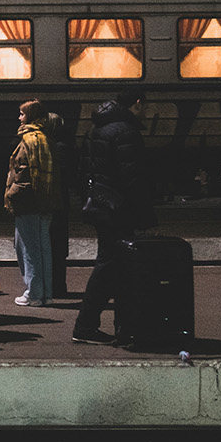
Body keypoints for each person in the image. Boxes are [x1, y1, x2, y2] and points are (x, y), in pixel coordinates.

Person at [72, 87, 155, 346]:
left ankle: (119, 326)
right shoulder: (126, 132)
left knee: (113, 266)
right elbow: (133, 179)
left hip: (101, 206)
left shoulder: (97, 128)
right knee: (110, 267)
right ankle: (87, 326)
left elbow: (85, 170)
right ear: (138, 104)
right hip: (120, 211)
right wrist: (146, 216)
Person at [6, 99, 60, 307]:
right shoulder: (46, 138)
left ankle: (34, 293)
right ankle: (45, 293)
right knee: (43, 249)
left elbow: (24, 174)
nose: (19, 118)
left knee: (28, 250)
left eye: (22, 114)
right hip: (45, 201)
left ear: (31, 116)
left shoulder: (30, 139)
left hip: (30, 203)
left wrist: (12, 193)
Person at [44, 110, 74, 297]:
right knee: (58, 244)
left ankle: (55, 287)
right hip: (61, 201)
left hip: (55, 201)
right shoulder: (65, 146)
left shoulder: (56, 148)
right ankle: (58, 286)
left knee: (53, 242)